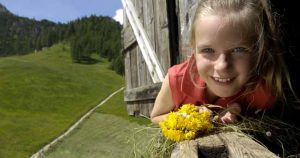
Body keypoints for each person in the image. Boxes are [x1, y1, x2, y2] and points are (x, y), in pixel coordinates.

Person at [150, 0, 296, 124]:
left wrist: (240, 113)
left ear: (260, 51)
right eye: (208, 50)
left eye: (239, 50)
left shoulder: (261, 92)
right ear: (193, 49)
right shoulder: (177, 81)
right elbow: (155, 116)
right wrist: (185, 117)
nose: (222, 65)